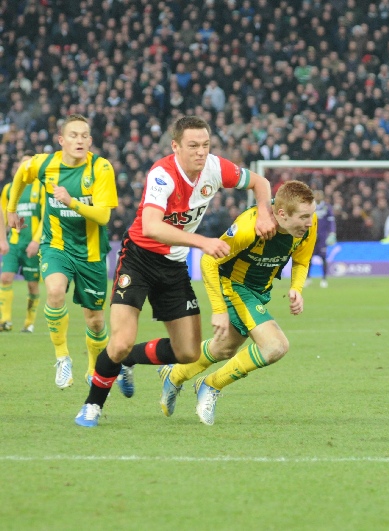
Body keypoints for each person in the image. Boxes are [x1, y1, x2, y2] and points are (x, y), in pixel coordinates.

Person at [75, 115, 277, 427]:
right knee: (120, 342)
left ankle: (128, 362)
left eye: (206, 145)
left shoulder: (215, 167)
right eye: (193, 145)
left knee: (187, 352)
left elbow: (260, 182)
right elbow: (153, 227)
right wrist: (203, 242)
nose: (201, 152)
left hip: (173, 266)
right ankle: (92, 405)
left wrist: (264, 212)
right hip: (139, 259)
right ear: (176, 146)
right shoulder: (162, 174)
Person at [157, 180, 316, 425]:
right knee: (275, 346)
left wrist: (296, 289)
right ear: (282, 214)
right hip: (235, 285)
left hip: (260, 290)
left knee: (225, 348)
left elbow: (302, 261)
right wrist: (219, 309)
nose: (309, 222)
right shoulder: (248, 227)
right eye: (304, 217)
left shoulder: (307, 224)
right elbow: (209, 261)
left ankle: (174, 374)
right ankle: (210, 385)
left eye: (311, 215)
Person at [6, 115, 118, 389]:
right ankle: (62, 357)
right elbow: (22, 174)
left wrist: (71, 201)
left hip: (91, 253)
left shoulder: (101, 168)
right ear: (61, 141)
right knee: (55, 291)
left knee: (95, 321)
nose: (79, 140)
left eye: (84, 136)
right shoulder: (45, 163)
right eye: (73, 135)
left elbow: (103, 216)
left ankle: (93, 367)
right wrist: (11, 209)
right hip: (56, 245)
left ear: (90, 141)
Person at [0, 153, 44, 333]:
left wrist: (36, 241)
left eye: (30, 164)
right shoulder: (10, 189)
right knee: (5, 278)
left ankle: (29, 322)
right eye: (23, 163)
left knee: (32, 285)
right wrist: (2, 240)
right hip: (14, 243)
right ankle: (5, 321)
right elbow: (2, 216)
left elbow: (46, 218)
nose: (26, 167)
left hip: (32, 245)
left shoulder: (41, 188)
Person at [307, 189, 335, 288]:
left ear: (322, 197)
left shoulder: (327, 207)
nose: (318, 197)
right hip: (311, 237)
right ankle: (308, 278)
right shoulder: (310, 207)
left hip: (323, 237)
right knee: (308, 258)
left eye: (319, 195)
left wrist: (332, 233)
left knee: (323, 258)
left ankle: (324, 279)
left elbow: (331, 222)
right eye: (316, 195)